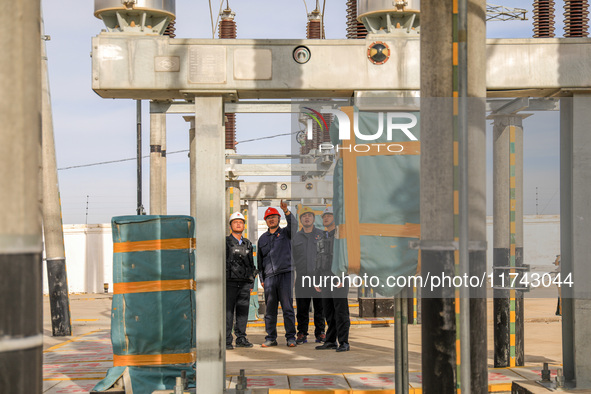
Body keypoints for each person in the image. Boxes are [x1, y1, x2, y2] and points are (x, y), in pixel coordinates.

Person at [257, 200, 297, 347]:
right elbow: (259, 262)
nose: (271, 219)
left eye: (274, 217)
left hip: (286, 274)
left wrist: (286, 211)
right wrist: (262, 279)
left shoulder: (286, 233)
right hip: (269, 278)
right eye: (268, 218)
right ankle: (271, 338)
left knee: (287, 308)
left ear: (279, 219)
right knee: (270, 310)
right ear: (266, 221)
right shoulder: (262, 239)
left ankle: (291, 337)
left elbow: (294, 226)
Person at [315, 206, 351, 352]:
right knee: (328, 312)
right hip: (325, 278)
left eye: (329, 215)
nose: (326, 218)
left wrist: (344, 276)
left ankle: (344, 342)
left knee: (341, 311)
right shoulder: (322, 237)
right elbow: (318, 259)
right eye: (324, 216)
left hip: (339, 277)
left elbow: (347, 257)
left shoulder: (342, 237)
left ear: (335, 218)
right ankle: (330, 341)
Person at [292, 206, 326, 344]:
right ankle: (302, 333)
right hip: (302, 278)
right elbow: (292, 258)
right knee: (302, 307)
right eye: (304, 216)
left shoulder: (322, 235)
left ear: (313, 218)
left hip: (319, 278)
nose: (307, 218)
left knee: (320, 307)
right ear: (300, 220)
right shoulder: (295, 237)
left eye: (309, 216)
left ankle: (320, 333)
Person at [225, 212, 257, 350]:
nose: (238, 224)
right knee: (228, 312)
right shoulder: (225, 242)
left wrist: (251, 282)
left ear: (244, 225)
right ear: (231, 225)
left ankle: (241, 338)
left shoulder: (247, 244)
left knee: (243, 311)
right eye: (235, 222)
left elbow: (251, 265)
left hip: (244, 283)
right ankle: (226, 340)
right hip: (229, 283)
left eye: (241, 222)